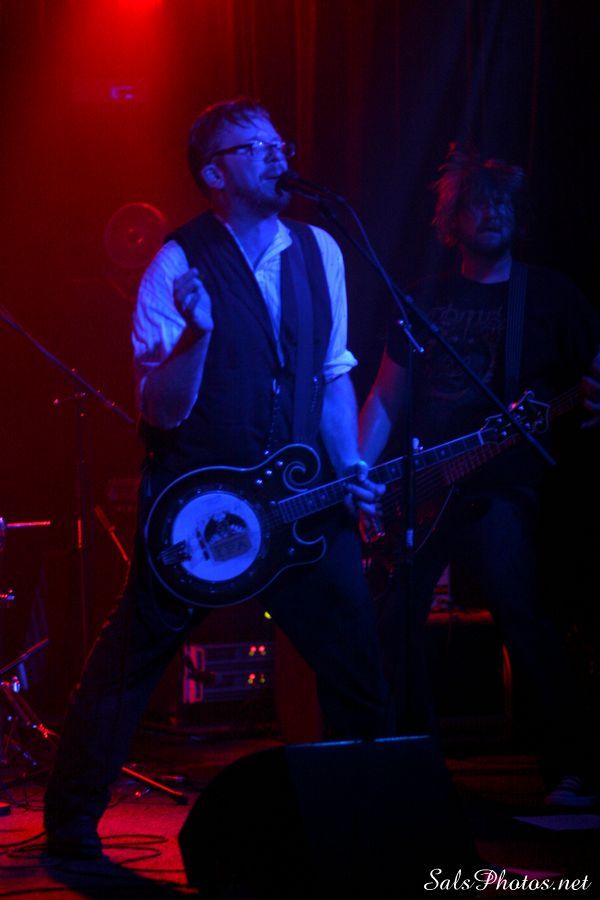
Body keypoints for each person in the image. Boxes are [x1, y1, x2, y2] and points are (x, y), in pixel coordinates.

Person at [44, 97, 391, 859]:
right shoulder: (176, 263)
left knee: (357, 662)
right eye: (254, 147)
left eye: (278, 143)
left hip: (301, 500)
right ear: (215, 172)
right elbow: (160, 410)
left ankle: (374, 827)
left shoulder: (320, 248)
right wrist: (198, 334)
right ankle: (69, 827)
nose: (277, 155)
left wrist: (350, 468)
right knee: (129, 662)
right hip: (203, 507)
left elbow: (331, 375)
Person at [359, 143, 600, 808]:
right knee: (393, 621)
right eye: (477, 203)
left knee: (521, 615)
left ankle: (573, 768)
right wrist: (360, 479)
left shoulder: (548, 295)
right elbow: (385, 398)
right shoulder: (424, 300)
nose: (492, 213)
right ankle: (413, 765)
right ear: (451, 220)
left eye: (502, 203)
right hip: (424, 486)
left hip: (501, 487)